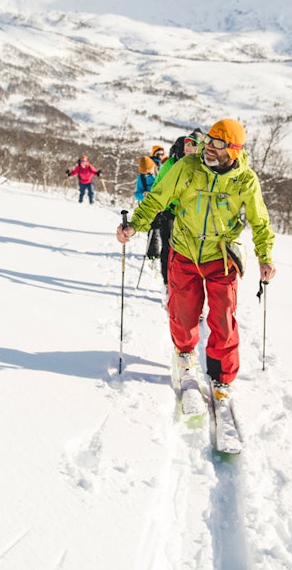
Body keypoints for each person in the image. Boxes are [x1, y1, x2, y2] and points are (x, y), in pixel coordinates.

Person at [115, 119, 276, 399]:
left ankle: (221, 377)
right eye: (210, 140)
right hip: (184, 250)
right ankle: (185, 355)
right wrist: (135, 224)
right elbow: (156, 198)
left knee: (223, 319)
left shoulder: (245, 181)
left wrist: (266, 256)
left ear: (234, 151)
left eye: (218, 144)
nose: (209, 147)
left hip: (221, 256)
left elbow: (260, 221)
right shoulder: (189, 167)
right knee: (183, 313)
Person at [150, 129, 201, 286]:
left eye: (193, 144)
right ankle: (167, 282)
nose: (189, 146)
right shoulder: (171, 163)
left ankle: (186, 286)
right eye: (187, 142)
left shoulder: (202, 164)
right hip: (170, 212)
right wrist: (156, 208)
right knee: (169, 248)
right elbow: (158, 186)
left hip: (191, 216)